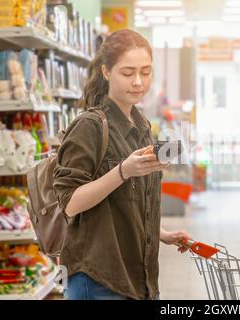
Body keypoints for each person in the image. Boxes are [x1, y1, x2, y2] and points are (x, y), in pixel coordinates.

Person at [53, 29, 190, 300]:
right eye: (127, 73)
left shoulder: (140, 126)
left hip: (139, 277)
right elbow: (69, 203)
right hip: (99, 278)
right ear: (106, 72)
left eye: (145, 72)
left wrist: (159, 233)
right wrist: (122, 172)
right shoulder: (88, 127)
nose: (138, 82)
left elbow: (126, 201)